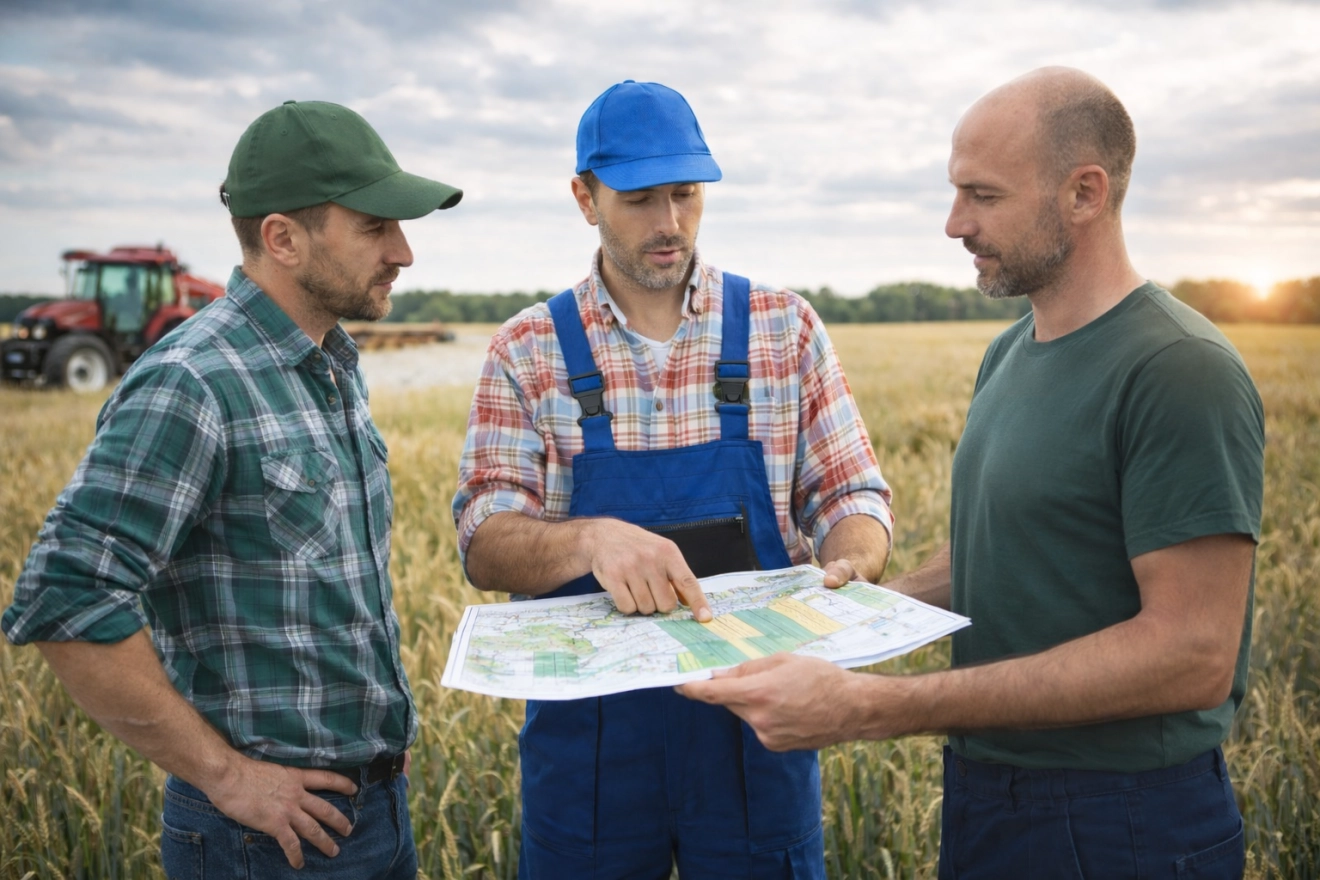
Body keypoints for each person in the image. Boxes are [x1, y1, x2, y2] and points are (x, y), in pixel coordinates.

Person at [680, 67, 1265, 879]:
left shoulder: (1177, 368)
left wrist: (878, 709)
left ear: (1084, 194)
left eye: (983, 196)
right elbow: (1001, 561)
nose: (955, 224)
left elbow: (1192, 652)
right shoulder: (1010, 353)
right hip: (992, 794)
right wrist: (827, 611)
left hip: (1124, 818)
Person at [2, 100, 462, 879]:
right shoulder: (193, 383)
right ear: (282, 237)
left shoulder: (329, 366)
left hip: (373, 809)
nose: (405, 252)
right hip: (266, 842)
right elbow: (65, 596)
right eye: (375, 226)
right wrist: (227, 776)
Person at [452, 79, 894, 878]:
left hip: (758, 730)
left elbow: (851, 494)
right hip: (590, 755)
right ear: (585, 198)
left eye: (686, 195)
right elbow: (484, 541)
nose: (670, 224)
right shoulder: (526, 350)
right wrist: (592, 540)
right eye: (640, 199)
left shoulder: (782, 329)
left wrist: (854, 560)